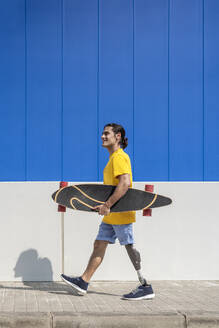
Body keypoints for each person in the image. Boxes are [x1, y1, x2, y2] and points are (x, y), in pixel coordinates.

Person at [61, 123, 155, 300]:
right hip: (111, 215)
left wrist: (107, 205)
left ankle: (145, 285)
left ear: (118, 136)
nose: (103, 137)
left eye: (107, 134)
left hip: (119, 212)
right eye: (102, 134)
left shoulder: (119, 157)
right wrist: (106, 206)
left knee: (129, 247)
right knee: (99, 244)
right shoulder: (113, 159)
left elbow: (124, 184)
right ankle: (83, 281)